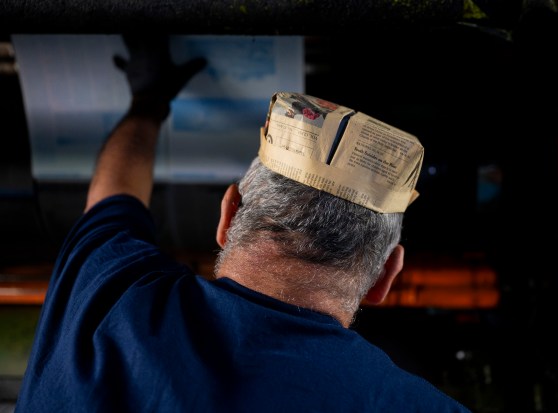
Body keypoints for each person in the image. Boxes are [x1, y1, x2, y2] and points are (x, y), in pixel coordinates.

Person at [14, 35, 472, 413]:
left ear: (228, 214)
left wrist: (148, 102)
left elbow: (113, 197)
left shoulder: (110, 299)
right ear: (385, 277)